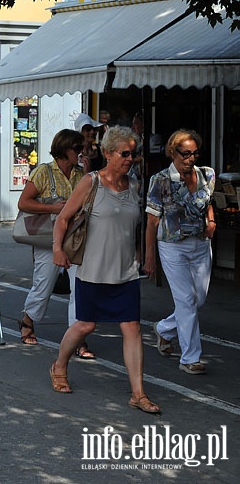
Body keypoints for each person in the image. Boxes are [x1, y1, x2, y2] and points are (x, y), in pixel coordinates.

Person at [50, 126, 160, 413]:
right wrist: (58, 249)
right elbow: (63, 219)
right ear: (109, 153)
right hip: (92, 269)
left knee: (132, 328)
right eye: (125, 153)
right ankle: (59, 365)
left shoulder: (134, 186)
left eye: (134, 153)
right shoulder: (91, 182)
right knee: (86, 325)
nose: (130, 158)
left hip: (125, 271)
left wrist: (143, 257)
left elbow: (134, 227)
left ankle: (138, 393)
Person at [16, 129, 94, 357]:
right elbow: (23, 203)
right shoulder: (43, 171)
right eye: (77, 149)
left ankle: (78, 338)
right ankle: (27, 320)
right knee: (44, 285)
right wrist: (52, 208)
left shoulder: (82, 175)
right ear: (64, 149)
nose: (81, 153)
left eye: (82, 149)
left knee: (79, 288)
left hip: (76, 238)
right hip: (48, 238)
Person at [145, 130, 216, 375]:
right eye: (185, 153)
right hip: (172, 246)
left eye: (195, 153)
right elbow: (152, 222)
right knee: (186, 301)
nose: (191, 158)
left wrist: (211, 220)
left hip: (200, 244)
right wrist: (149, 257)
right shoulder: (161, 180)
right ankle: (190, 358)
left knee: (199, 300)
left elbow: (207, 203)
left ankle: (164, 329)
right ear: (172, 152)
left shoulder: (207, 174)